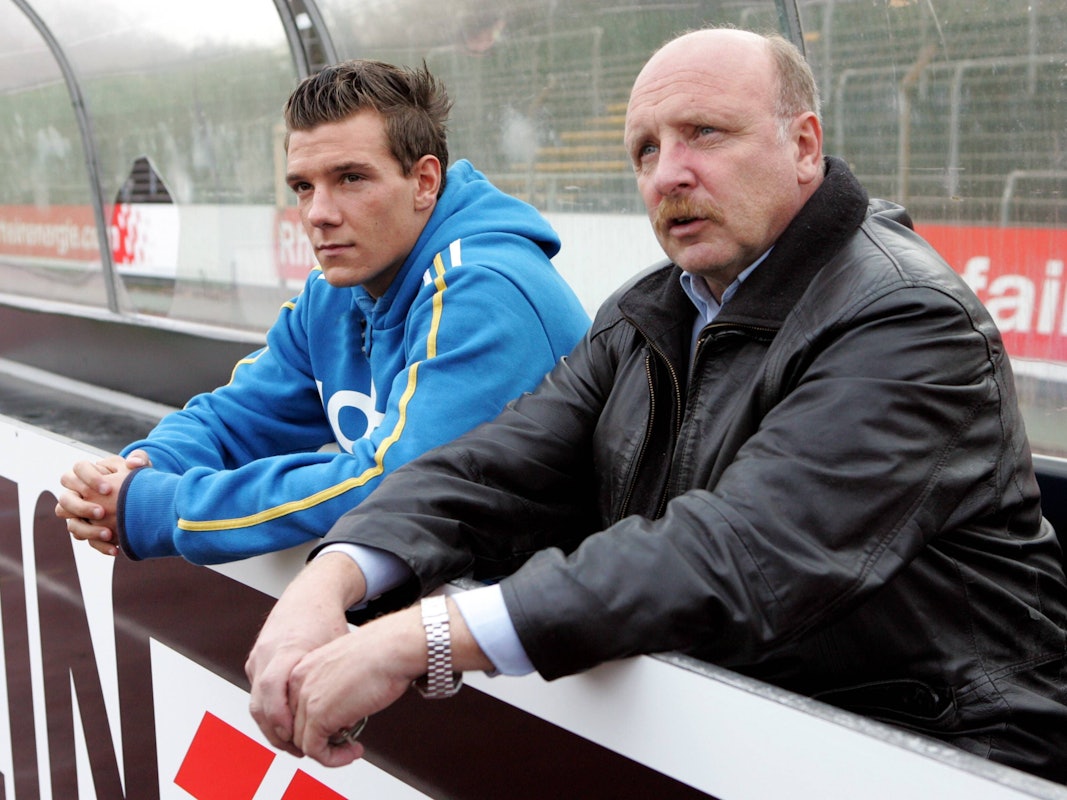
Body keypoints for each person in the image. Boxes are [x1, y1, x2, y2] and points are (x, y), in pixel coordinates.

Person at [244, 28, 1067, 783]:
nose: (668, 172)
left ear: (804, 146)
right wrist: (331, 578)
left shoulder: (906, 318)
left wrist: (422, 638)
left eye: (704, 134)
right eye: (644, 148)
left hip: (945, 752)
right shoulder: (650, 313)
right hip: (754, 735)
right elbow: (496, 464)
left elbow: (738, 553)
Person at [54, 60, 589, 564]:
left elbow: (396, 484)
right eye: (303, 187)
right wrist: (137, 471)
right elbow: (235, 421)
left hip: (567, 647)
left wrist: (162, 507)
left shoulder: (485, 289)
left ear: (424, 182)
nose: (319, 214)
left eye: (351, 178)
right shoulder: (336, 289)